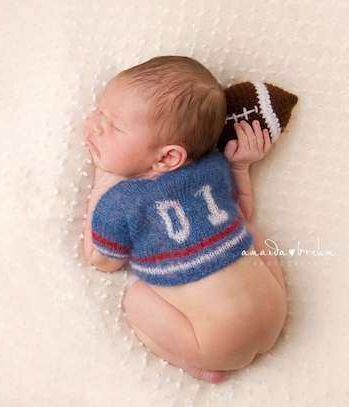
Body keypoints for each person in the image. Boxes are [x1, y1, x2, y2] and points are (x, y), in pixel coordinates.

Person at [83, 56, 287, 384]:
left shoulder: (122, 202)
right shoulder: (214, 169)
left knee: (135, 299)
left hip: (216, 343)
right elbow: (241, 213)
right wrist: (240, 168)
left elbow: (101, 260)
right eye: (100, 112)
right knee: (245, 229)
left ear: (168, 156)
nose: (94, 125)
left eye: (115, 127)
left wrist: (102, 185)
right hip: (274, 311)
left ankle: (197, 366)